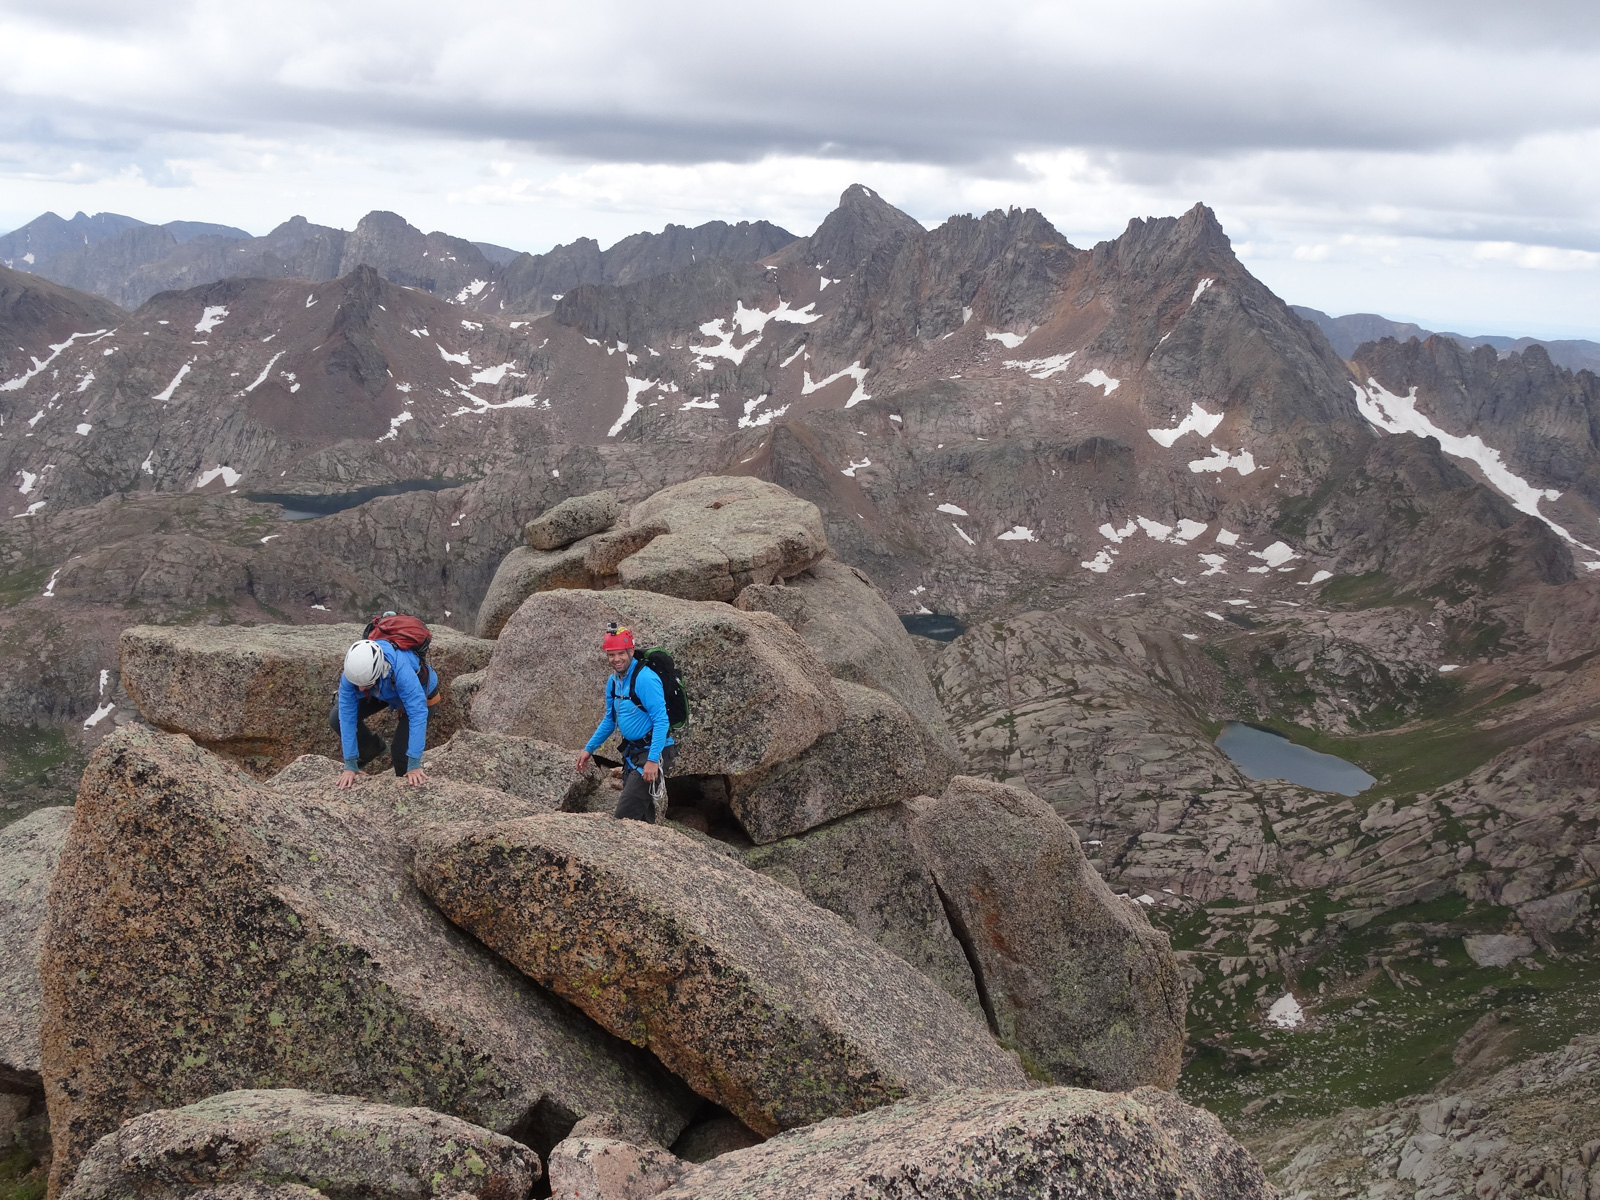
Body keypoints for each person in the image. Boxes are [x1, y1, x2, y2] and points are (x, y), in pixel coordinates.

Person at [575, 624, 675, 822]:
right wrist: (589, 749)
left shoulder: (645, 679)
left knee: (624, 817)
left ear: (631, 651)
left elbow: (662, 720)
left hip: (653, 752)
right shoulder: (613, 681)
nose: (616, 659)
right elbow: (610, 719)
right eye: (611, 655)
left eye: (621, 653)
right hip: (633, 754)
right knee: (642, 817)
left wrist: (653, 760)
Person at [330, 637, 437, 789]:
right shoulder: (353, 675)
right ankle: (371, 748)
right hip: (381, 690)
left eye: (364, 684)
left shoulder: (402, 671)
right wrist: (350, 763)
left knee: (401, 754)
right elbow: (346, 717)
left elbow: (417, 714)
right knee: (336, 718)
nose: (359, 689)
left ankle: (405, 793)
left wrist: (413, 763)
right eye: (357, 685)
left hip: (419, 691)